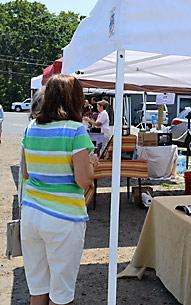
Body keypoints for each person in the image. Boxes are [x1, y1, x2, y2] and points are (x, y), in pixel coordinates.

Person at [20, 74, 96, 305]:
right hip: (63, 217)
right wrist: (91, 166)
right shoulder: (75, 130)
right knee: (60, 293)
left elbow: (25, 173)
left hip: (32, 213)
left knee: (38, 288)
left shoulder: (31, 128)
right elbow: (84, 180)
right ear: (74, 99)